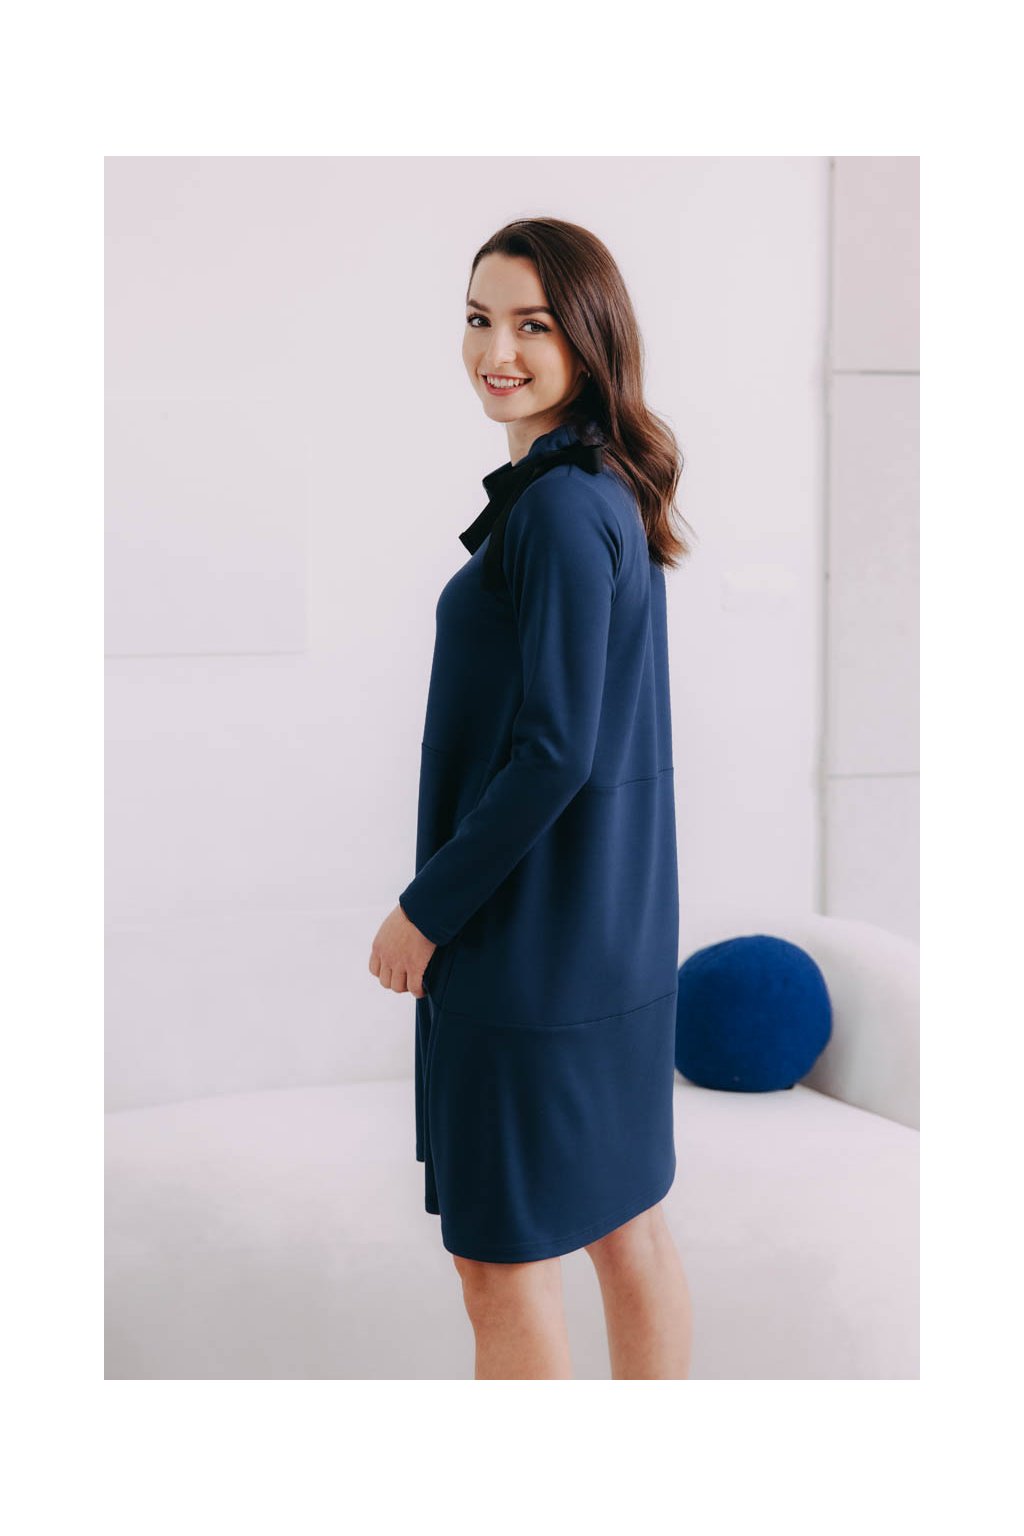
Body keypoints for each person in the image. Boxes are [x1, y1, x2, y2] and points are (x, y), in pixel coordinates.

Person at [369, 217, 695, 1379]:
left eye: (531, 325)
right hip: (606, 941)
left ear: (587, 337)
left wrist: (425, 911)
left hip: (529, 951)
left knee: (501, 1264)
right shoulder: (598, 489)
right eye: (477, 319)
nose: (494, 351)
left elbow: (555, 752)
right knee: (624, 1223)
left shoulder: (559, 508)